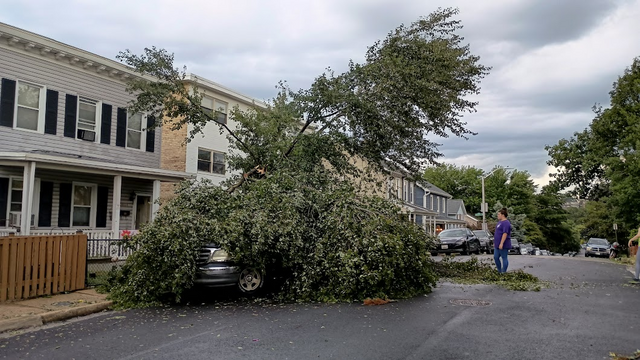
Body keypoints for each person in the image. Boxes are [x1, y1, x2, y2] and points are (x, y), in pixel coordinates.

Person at [493, 208, 512, 273]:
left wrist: (501, 243)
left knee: (504, 257)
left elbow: (505, 233)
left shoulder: (506, 223)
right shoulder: (499, 223)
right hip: (497, 244)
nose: (497, 215)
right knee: (496, 257)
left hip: (503, 244)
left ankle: (503, 272)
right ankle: (499, 271)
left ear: (503, 215)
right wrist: (495, 242)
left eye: (499, 214)